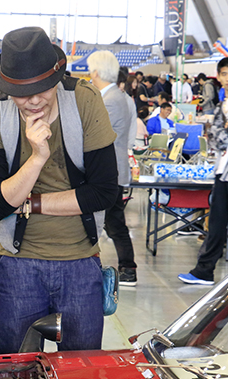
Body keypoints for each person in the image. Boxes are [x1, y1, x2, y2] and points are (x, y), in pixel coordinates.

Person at [0, 26, 118, 354]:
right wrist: (37, 158)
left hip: (81, 261)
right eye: (24, 92)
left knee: (80, 375)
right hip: (17, 264)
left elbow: (105, 192)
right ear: (7, 86)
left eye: (43, 87)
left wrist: (29, 203)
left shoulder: (83, 100)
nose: (35, 99)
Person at [179, 56, 228, 285]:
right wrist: (221, 130)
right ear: (219, 77)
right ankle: (203, 272)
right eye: (223, 74)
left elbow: (224, 135)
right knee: (215, 223)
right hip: (222, 171)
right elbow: (214, 139)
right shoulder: (220, 106)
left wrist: (221, 130)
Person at [88, 50, 137, 286]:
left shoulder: (111, 100)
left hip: (112, 172)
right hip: (111, 171)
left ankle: (128, 267)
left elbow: (96, 135)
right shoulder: (113, 97)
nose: (89, 76)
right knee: (111, 221)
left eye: (90, 71)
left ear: (96, 72)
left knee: (114, 222)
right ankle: (126, 266)